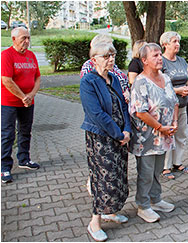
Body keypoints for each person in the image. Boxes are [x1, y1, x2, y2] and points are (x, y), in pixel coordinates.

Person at [79, 41, 131, 241]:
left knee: (118, 175)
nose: (111, 60)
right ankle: (95, 222)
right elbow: (96, 114)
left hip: (119, 137)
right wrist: (118, 134)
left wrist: (126, 129)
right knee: (103, 180)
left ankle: (111, 211)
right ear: (94, 60)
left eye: (113, 56)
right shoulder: (88, 82)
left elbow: (123, 106)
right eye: (106, 56)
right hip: (101, 138)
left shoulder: (114, 79)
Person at [129, 43, 178, 223]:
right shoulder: (140, 82)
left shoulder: (165, 77)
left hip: (164, 135)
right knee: (146, 172)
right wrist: (159, 127)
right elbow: (140, 112)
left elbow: (174, 101)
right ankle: (143, 205)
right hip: (147, 137)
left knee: (158, 170)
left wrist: (173, 122)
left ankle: (155, 199)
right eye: (155, 55)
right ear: (144, 60)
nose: (160, 58)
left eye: (160, 55)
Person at [1, 27, 41, 182]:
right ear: (13, 39)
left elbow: (37, 77)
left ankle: (24, 159)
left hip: (28, 102)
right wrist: (23, 96)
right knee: (7, 134)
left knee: (25, 131)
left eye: (28, 38)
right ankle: (4, 167)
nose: (27, 41)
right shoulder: (6, 55)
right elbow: (6, 80)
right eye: (23, 38)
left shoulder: (31, 56)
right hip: (8, 103)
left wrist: (31, 95)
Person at [159, 31, 188, 180]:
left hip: (183, 105)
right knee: (168, 135)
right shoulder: (161, 61)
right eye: (174, 41)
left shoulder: (182, 61)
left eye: (178, 41)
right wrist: (177, 90)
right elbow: (158, 85)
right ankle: (165, 166)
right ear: (165, 44)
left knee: (181, 135)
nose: (177, 44)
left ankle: (177, 162)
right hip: (168, 108)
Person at [81, 34, 129, 101]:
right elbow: (89, 93)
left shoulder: (111, 64)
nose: (111, 49)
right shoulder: (89, 66)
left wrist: (127, 93)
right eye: (108, 46)